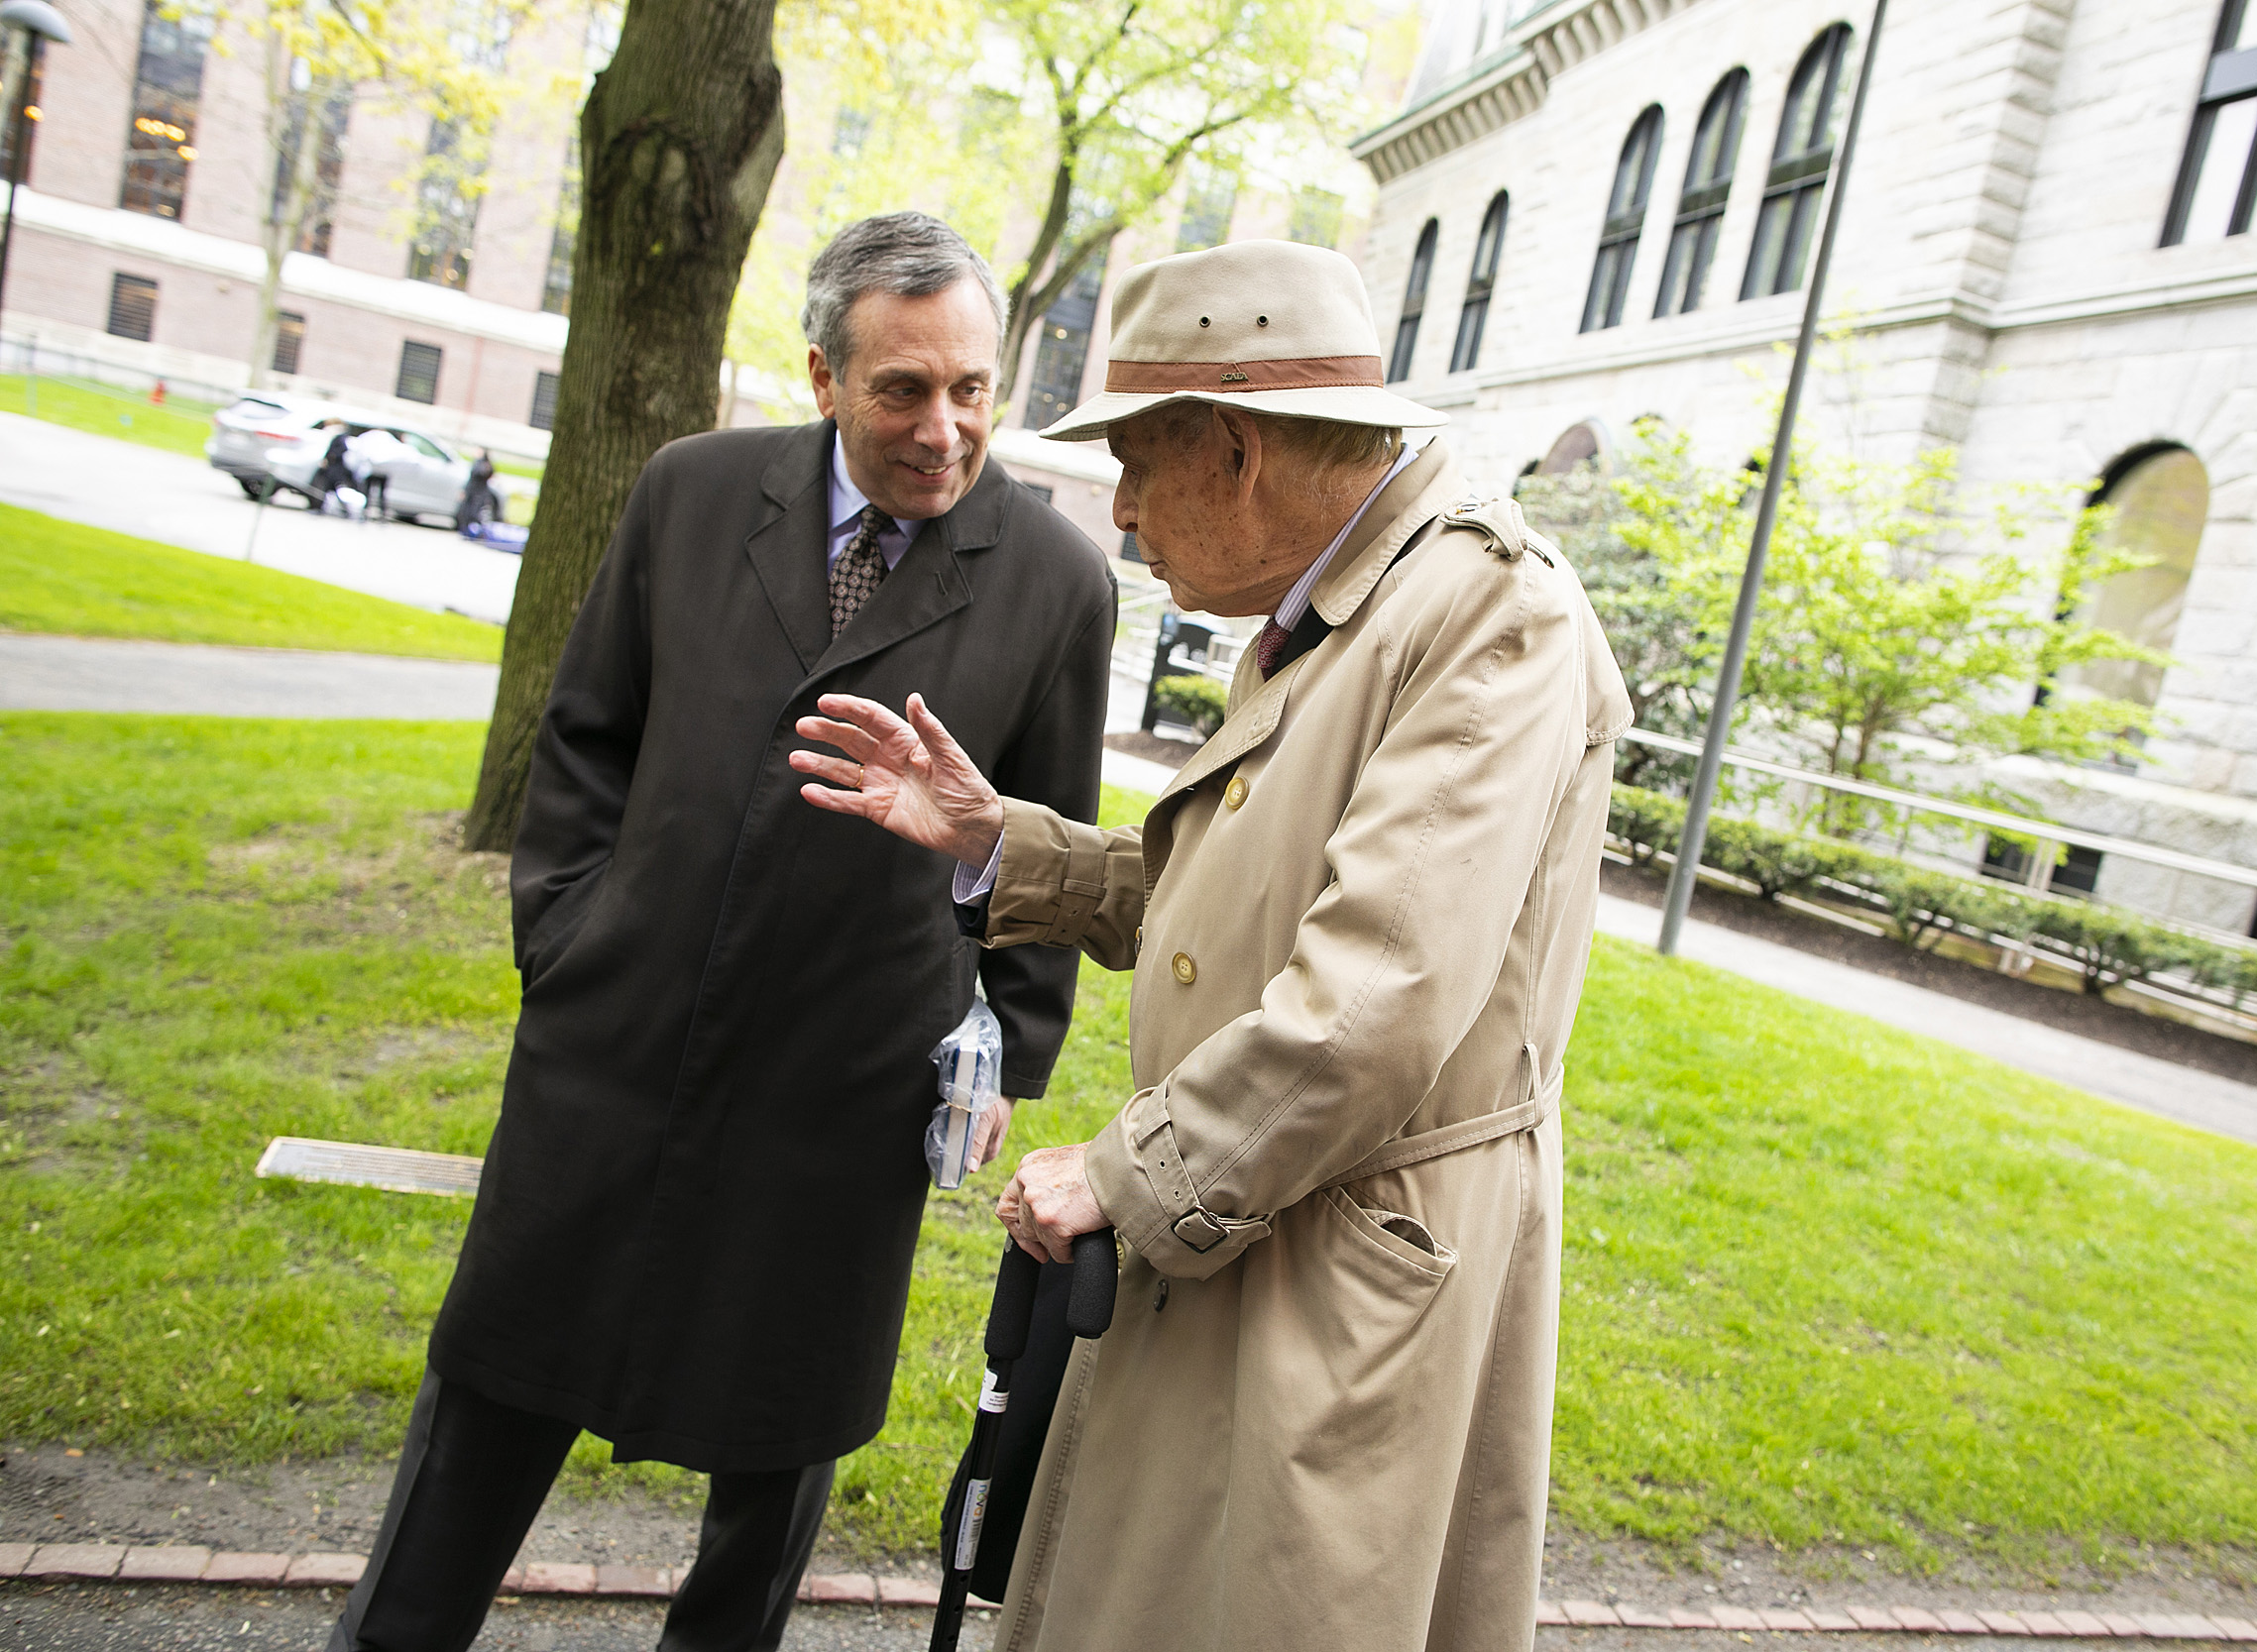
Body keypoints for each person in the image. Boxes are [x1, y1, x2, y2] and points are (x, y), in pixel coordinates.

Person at [792, 239, 1632, 1652]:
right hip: (1269, 1217)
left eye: (1136, 464)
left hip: (1344, 1267)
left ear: (1234, 450)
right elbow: (1240, 916)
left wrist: (1124, 1173)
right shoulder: (1345, 603)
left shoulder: (1488, 610)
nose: (1121, 512)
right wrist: (1002, 838)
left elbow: (1376, 998)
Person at [329, 212, 1117, 1652]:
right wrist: (568, 941)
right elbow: (585, 739)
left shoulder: (1058, 582)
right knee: (490, 1400)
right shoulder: (689, 494)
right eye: (902, 391)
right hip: (611, 1051)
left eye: (974, 389)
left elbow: (1046, 843)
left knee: (774, 1458)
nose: (944, 430)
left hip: (847, 1094)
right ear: (822, 373)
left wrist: (1000, 1046)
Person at [454, 448, 497, 535]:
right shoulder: (477, 463)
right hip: (472, 491)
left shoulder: (484, 464)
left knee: (474, 512)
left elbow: (485, 474)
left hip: (479, 492)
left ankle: (473, 531)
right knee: (465, 511)